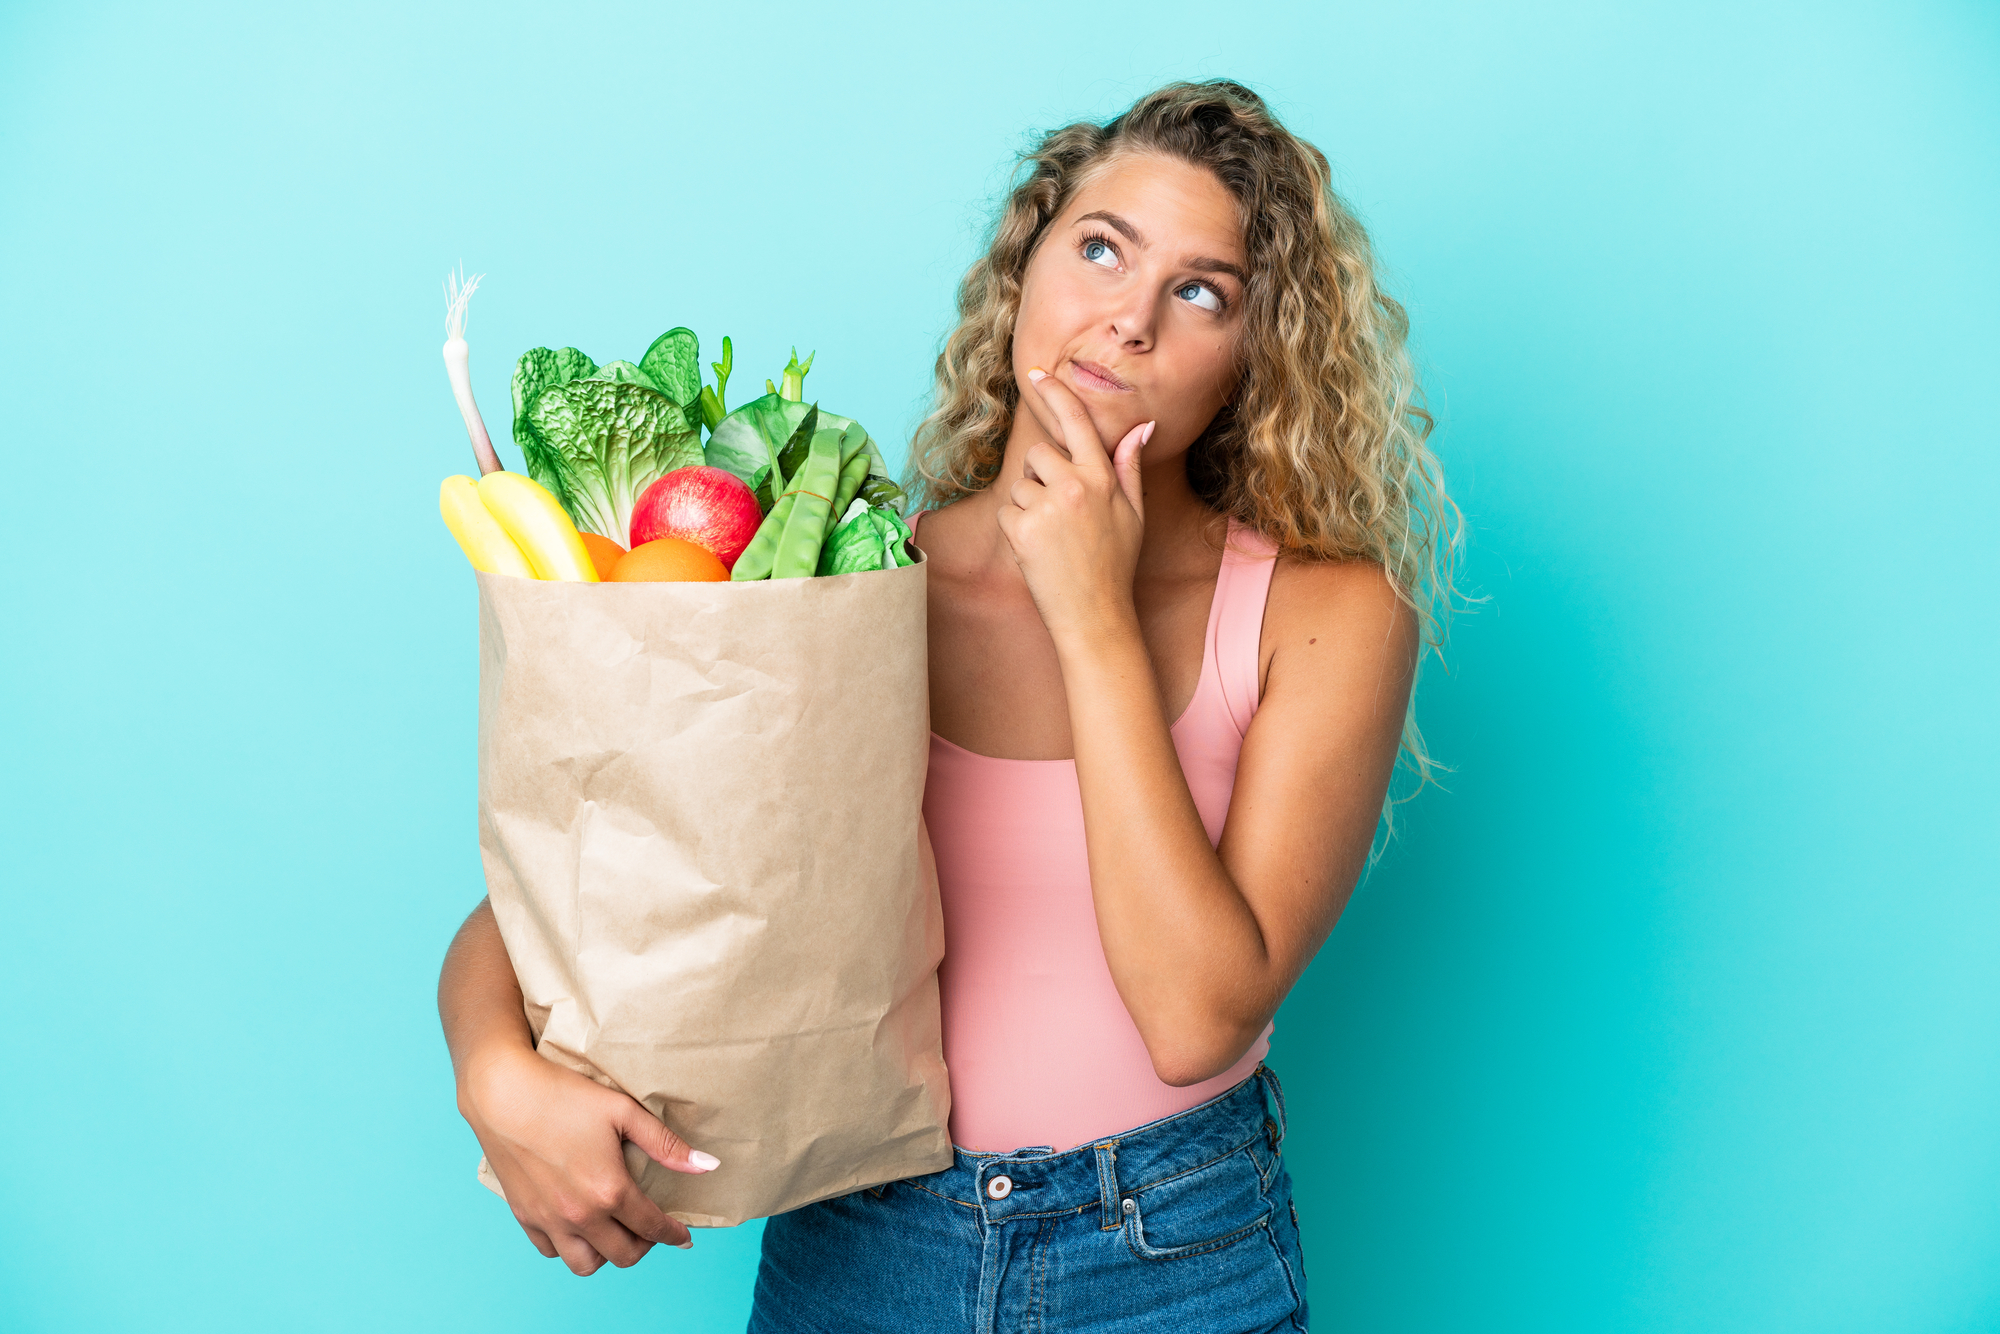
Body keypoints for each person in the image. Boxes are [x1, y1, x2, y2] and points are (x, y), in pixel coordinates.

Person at [438, 79, 1457, 1332]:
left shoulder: (1325, 613)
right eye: (1098, 248)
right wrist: (491, 1070)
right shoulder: (853, 583)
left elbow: (1195, 1015)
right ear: (1024, 268)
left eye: (1201, 292)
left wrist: (1089, 613)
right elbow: (578, 883)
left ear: (1255, 357)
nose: (1125, 320)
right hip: (862, 1237)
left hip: (1168, 1252)